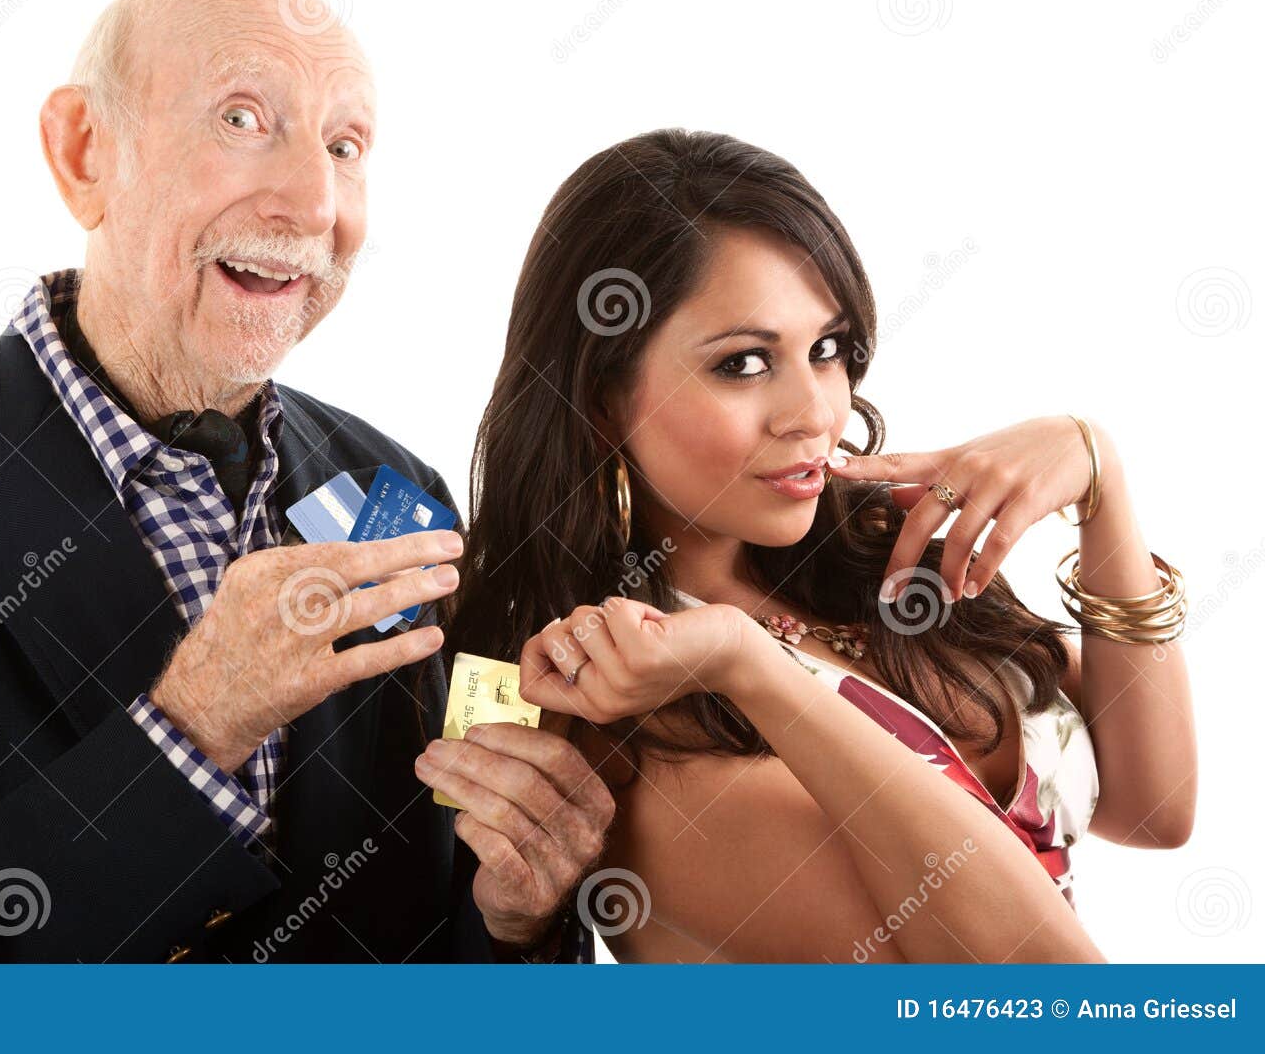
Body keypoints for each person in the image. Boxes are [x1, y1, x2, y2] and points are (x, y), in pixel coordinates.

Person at [0, 0, 612, 963]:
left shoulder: (392, 487)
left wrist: (513, 917)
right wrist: (191, 725)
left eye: (345, 145)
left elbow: (432, 939)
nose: (315, 202)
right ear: (84, 153)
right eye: (242, 118)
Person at [444, 128, 1196, 962]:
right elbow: (1053, 999)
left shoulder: (876, 553)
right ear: (602, 401)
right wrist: (745, 662)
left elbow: (1155, 807)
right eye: (743, 363)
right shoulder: (622, 732)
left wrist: (1101, 479)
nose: (815, 411)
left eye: (827, 349)